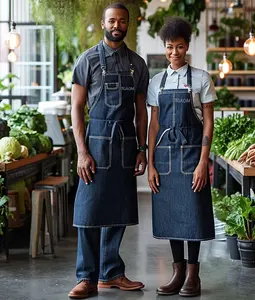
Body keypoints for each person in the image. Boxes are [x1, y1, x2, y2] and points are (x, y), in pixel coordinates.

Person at [68, 3, 149, 299]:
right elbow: (76, 108)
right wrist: (82, 151)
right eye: (112, 20)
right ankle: (86, 277)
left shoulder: (137, 64)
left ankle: (111, 273)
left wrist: (142, 149)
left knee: (119, 209)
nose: (117, 24)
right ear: (103, 23)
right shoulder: (87, 60)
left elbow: (141, 112)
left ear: (129, 24)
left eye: (122, 21)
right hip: (96, 142)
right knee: (89, 210)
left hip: (126, 142)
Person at [147, 17, 217, 297]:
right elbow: (154, 125)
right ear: (164, 48)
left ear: (187, 47)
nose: (174, 52)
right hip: (164, 158)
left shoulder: (201, 78)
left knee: (193, 215)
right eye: (169, 47)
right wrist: (150, 163)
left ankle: (193, 276)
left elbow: (209, 122)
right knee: (172, 215)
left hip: (191, 156)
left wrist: (203, 162)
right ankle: (177, 274)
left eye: (179, 47)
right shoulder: (156, 81)